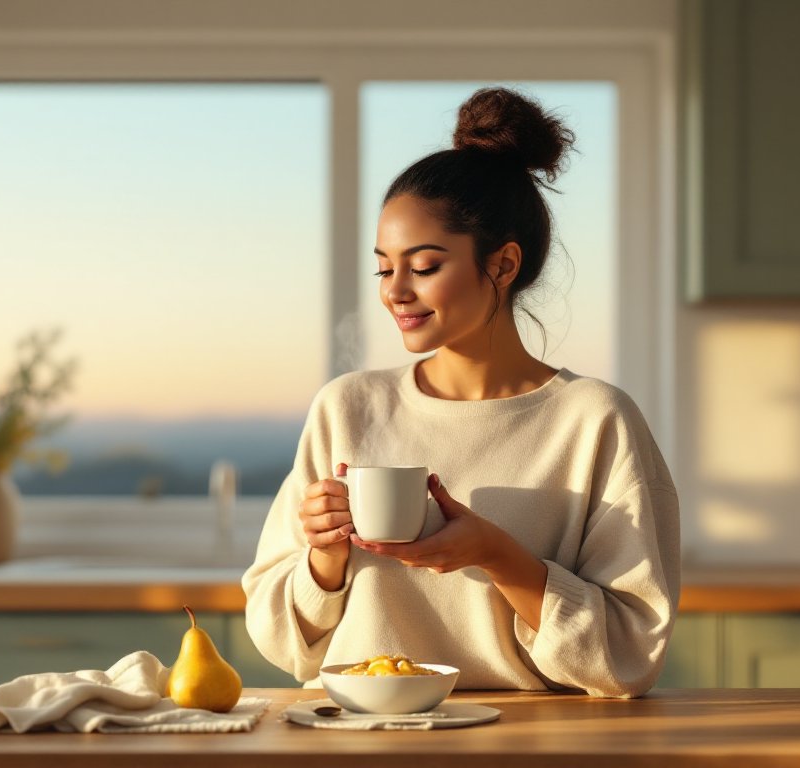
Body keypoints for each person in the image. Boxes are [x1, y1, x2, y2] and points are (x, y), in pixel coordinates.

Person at [241, 87, 679, 698]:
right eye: (383, 268)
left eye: (423, 267)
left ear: (502, 265)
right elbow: (282, 643)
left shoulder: (595, 421)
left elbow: (629, 657)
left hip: (529, 743)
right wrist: (324, 560)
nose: (395, 291)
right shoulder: (348, 409)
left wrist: (499, 555)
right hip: (358, 740)